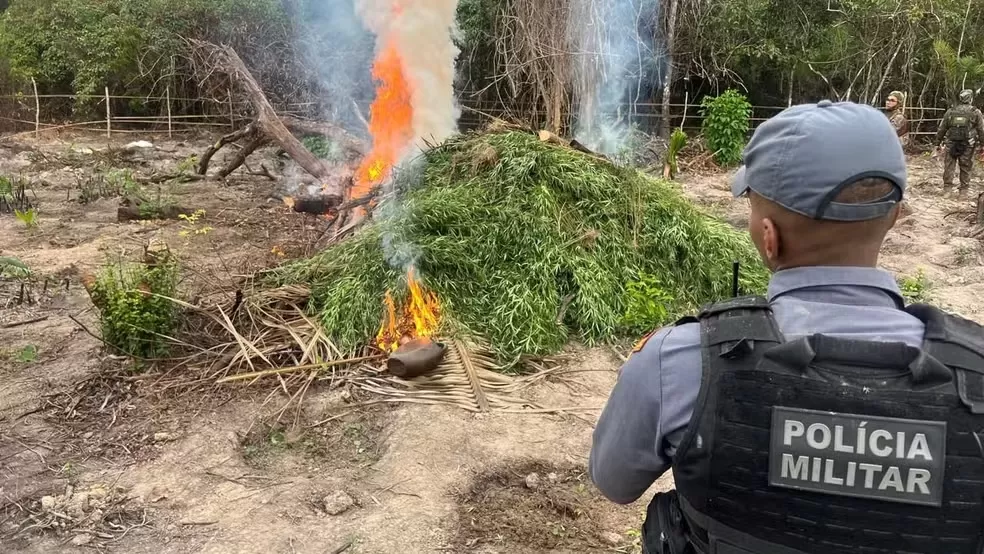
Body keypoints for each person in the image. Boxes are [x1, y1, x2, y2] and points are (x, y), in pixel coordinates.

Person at [589, 100, 984, 554]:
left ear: (768, 238)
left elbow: (613, 481)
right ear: (895, 217)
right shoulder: (974, 376)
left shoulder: (680, 362)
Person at [935, 89, 984, 197]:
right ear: (970, 99)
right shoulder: (976, 112)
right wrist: (982, 145)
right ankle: (963, 192)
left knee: (949, 166)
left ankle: (947, 190)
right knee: (966, 166)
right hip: (968, 144)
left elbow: (942, 128)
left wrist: (937, 143)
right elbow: (981, 130)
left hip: (951, 143)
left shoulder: (951, 111)